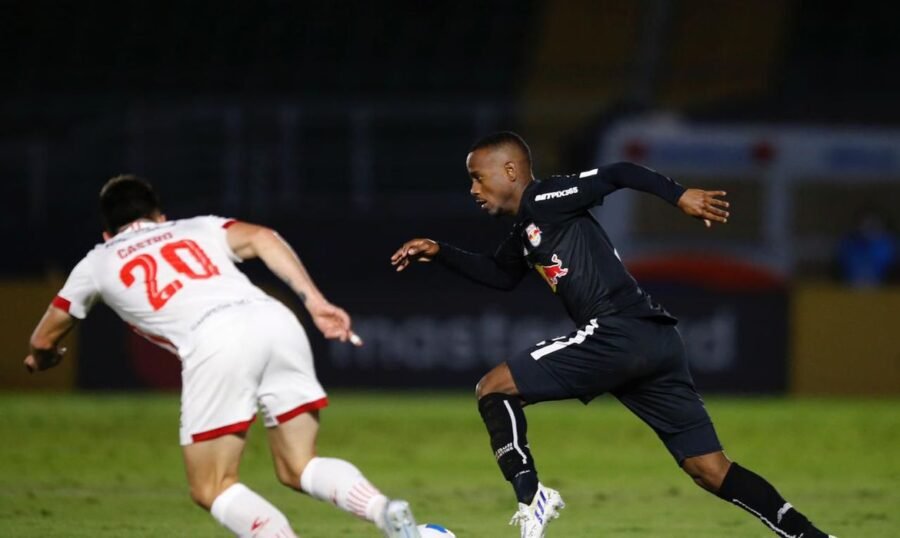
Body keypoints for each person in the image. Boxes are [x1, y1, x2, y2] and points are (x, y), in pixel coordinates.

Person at [391, 132, 836, 538]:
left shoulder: (545, 198)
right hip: (655, 340)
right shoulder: (526, 229)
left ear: (510, 170)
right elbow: (500, 275)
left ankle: (532, 496)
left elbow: (618, 173)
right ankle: (811, 537)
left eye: (477, 177)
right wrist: (440, 251)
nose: (473, 189)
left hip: (618, 330)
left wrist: (678, 195)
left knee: (492, 388)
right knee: (710, 469)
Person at [26, 175, 421, 538]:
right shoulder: (198, 226)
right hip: (275, 319)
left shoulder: (97, 261)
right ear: (160, 217)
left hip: (215, 337)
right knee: (299, 465)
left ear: (106, 232)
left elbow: (44, 338)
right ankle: (383, 510)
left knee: (211, 486)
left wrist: (42, 359)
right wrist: (315, 302)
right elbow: (264, 237)